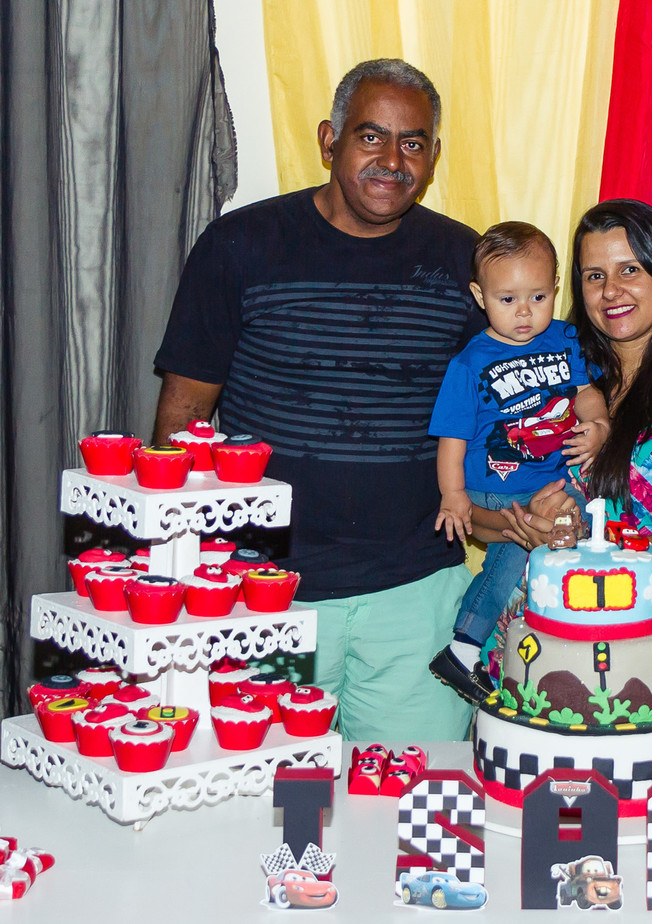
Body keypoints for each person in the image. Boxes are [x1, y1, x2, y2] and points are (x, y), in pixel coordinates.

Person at [152, 59, 482, 741]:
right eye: (371, 137)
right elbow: (183, 419)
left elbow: (503, 411)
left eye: (413, 143)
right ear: (330, 140)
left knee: (407, 792)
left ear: (434, 155)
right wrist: (179, 569)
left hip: (414, 593)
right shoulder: (240, 245)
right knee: (271, 794)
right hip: (262, 593)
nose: (392, 161)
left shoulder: (466, 261)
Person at [499, 199, 652, 623]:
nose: (610, 290)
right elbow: (483, 503)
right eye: (595, 276)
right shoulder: (555, 379)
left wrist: (588, 549)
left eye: (629, 270)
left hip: (627, 634)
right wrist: (529, 522)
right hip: (523, 625)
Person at [427, 221, 609, 703]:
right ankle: (464, 646)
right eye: (507, 299)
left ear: (556, 289)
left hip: (551, 478)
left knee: (577, 533)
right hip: (495, 482)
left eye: (538, 297)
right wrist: (453, 494)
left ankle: (558, 639)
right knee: (516, 549)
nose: (525, 312)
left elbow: (586, 391)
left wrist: (599, 424)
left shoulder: (565, 338)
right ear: (480, 296)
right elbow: (452, 438)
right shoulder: (470, 362)